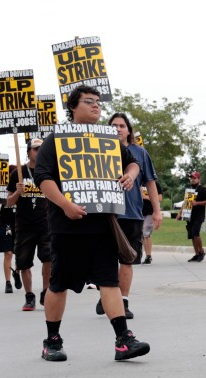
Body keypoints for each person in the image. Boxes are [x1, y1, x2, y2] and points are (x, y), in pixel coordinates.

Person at [34, 85, 150, 362]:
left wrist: (131, 175)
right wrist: (65, 205)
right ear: (73, 107)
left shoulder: (109, 139)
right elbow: (43, 177)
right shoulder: (57, 138)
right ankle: (52, 341)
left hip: (103, 225)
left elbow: (133, 163)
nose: (97, 106)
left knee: (109, 282)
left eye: (99, 102)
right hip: (67, 225)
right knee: (59, 284)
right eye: (89, 101)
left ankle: (124, 340)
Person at [94, 113, 162, 319]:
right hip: (104, 212)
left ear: (129, 130)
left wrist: (157, 211)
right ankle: (106, 294)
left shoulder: (140, 153)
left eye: (122, 125)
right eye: (113, 125)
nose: (117, 129)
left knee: (127, 260)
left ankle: (122, 301)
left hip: (131, 214)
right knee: (104, 259)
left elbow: (150, 182)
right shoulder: (97, 150)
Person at [6, 138, 51, 310]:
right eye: (35, 149)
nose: (39, 152)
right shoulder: (18, 173)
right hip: (24, 224)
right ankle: (29, 295)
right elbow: (9, 203)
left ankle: (45, 292)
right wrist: (17, 192)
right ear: (28, 152)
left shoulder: (48, 171)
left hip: (45, 223)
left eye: (42, 149)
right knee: (24, 262)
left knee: (48, 259)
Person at [0, 172, 22, 294]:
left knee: (19, 253)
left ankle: (17, 272)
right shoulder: (1, 191)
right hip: (6, 224)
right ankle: (7, 282)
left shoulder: (20, 188)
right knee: (8, 253)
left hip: (19, 223)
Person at [176, 171, 206, 262]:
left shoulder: (203, 189)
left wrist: (197, 203)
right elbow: (185, 202)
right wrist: (180, 213)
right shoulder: (190, 189)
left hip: (199, 215)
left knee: (196, 233)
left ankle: (201, 251)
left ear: (199, 179)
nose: (193, 179)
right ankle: (196, 254)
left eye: (194, 178)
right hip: (189, 215)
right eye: (192, 178)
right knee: (191, 235)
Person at [142, 180, 163, 265]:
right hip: (139, 212)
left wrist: (146, 197)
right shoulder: (138, 183)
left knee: (146, 233)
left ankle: (148, 256)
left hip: (150, 212)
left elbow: (160, 198)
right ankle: (140, 254)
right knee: (140, 234)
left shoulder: (154, 183)